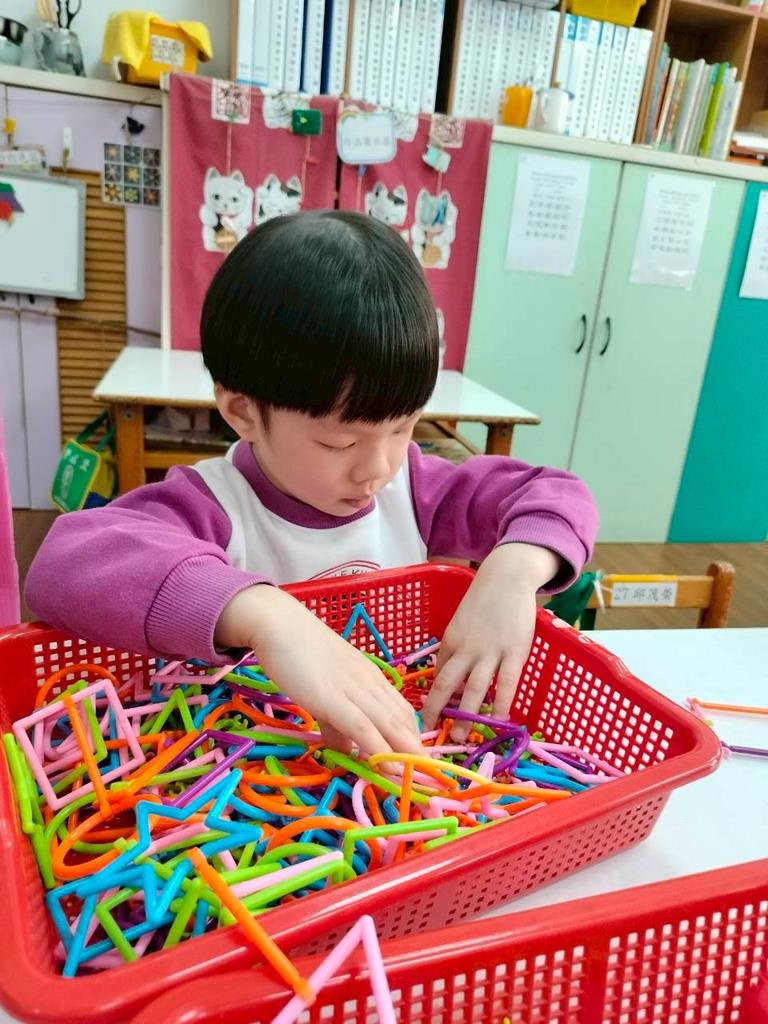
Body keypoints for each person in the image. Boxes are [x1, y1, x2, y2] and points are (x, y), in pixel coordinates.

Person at [26, 211, 597, 757]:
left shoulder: (416, 488)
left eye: (403, 427)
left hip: (392, 758)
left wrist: (514, 571)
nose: (376, 467)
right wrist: (264, 616)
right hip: (258, 763)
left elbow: (555, 492)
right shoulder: (214, 506)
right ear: (243, 412)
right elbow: (66, 560)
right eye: (338, 443)